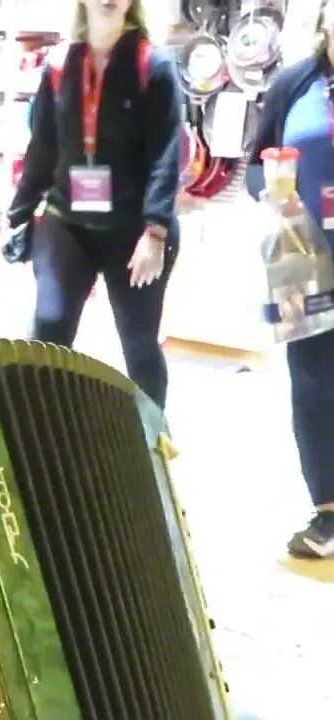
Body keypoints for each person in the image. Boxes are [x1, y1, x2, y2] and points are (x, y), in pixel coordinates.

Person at [7, 0, 184, 409]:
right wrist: (19, 213)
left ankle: (151, 444)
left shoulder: (153, 67)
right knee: (48, 328)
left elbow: (166, 155)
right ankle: (38, 439)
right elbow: (44, 146)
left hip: (135, 228)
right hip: (67, 221)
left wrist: (155, 230)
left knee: (139, 342)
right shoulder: (58, 66)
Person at [245, 0, 334, 560]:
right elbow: (255, 161)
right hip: (301, 246)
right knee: (312, 382)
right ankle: (327, 513)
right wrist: (271, 191)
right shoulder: (293, 82)